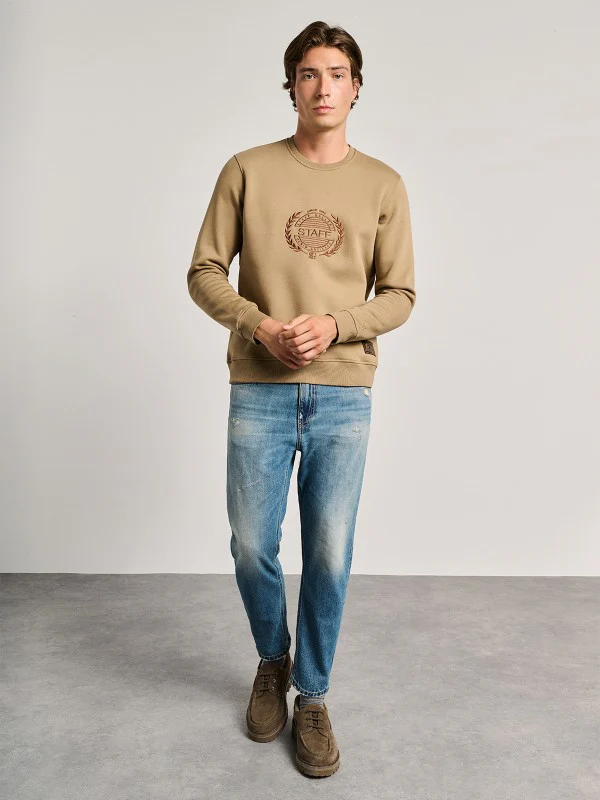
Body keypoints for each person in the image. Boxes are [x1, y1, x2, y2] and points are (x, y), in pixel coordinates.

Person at [186, 20, 416, 778]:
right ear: (291, 87)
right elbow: (205, 271)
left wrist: (336, 324)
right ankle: (271, 660)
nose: (323, 87)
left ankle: (312, 695)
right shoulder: (247, 169)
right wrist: (260, 325)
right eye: (309, 74)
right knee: (252, 544)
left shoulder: (383, 184)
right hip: (259, 388)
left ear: (357, 88)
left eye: (337, 74)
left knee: (328, 550)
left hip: (344, 395)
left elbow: (401, 294)